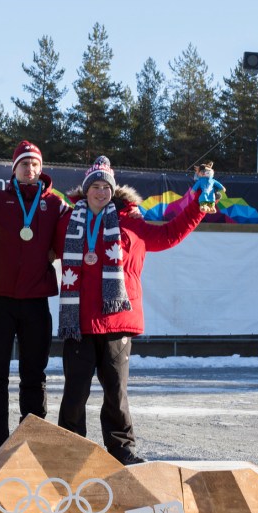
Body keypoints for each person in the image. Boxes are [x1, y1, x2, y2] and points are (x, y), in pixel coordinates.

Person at [54, 156, 206, 464]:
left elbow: (168, 236)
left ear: (113, 191)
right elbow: (41, 248)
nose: (100, 192)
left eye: (105, 187)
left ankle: (122, 451)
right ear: (86, 190)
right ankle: (69, 453)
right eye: (94, 186)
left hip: (117, 320)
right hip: (79, 321)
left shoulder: (132, 221)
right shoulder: (67, 221)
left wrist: (198, 205)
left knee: (116, 393)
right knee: (74, 393)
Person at [0, 140, 70, 454]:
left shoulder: (56, 205)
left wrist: (54, 253)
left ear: (41, 168)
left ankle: (33, 441)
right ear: (14, 167)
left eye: (34, 164)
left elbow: (71, 234)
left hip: (35, 299)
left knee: (34, 374)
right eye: (24, 163)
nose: (29, 169)